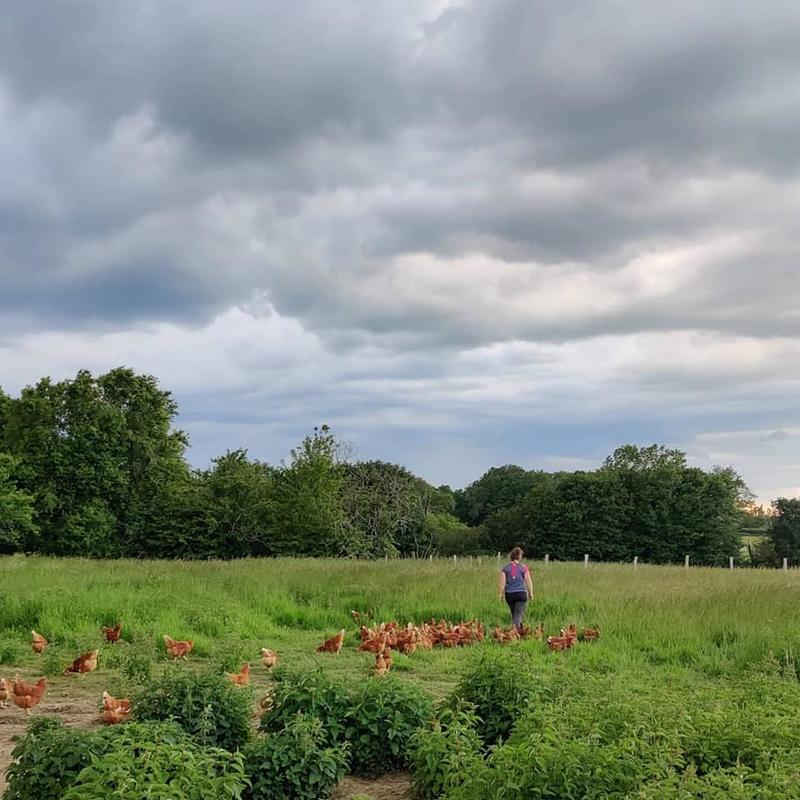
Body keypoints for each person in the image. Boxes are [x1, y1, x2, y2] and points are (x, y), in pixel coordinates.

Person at [498, 547, 533, 632]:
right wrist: (531, 593)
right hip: (521, 594)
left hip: (510, 594)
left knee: (515, 614)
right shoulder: (523, 567)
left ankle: (518, 631)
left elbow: (502, 583)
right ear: (519, 556)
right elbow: (528, 581)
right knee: (518, 615)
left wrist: (501, 594)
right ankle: (516, 633)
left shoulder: (505, 568)